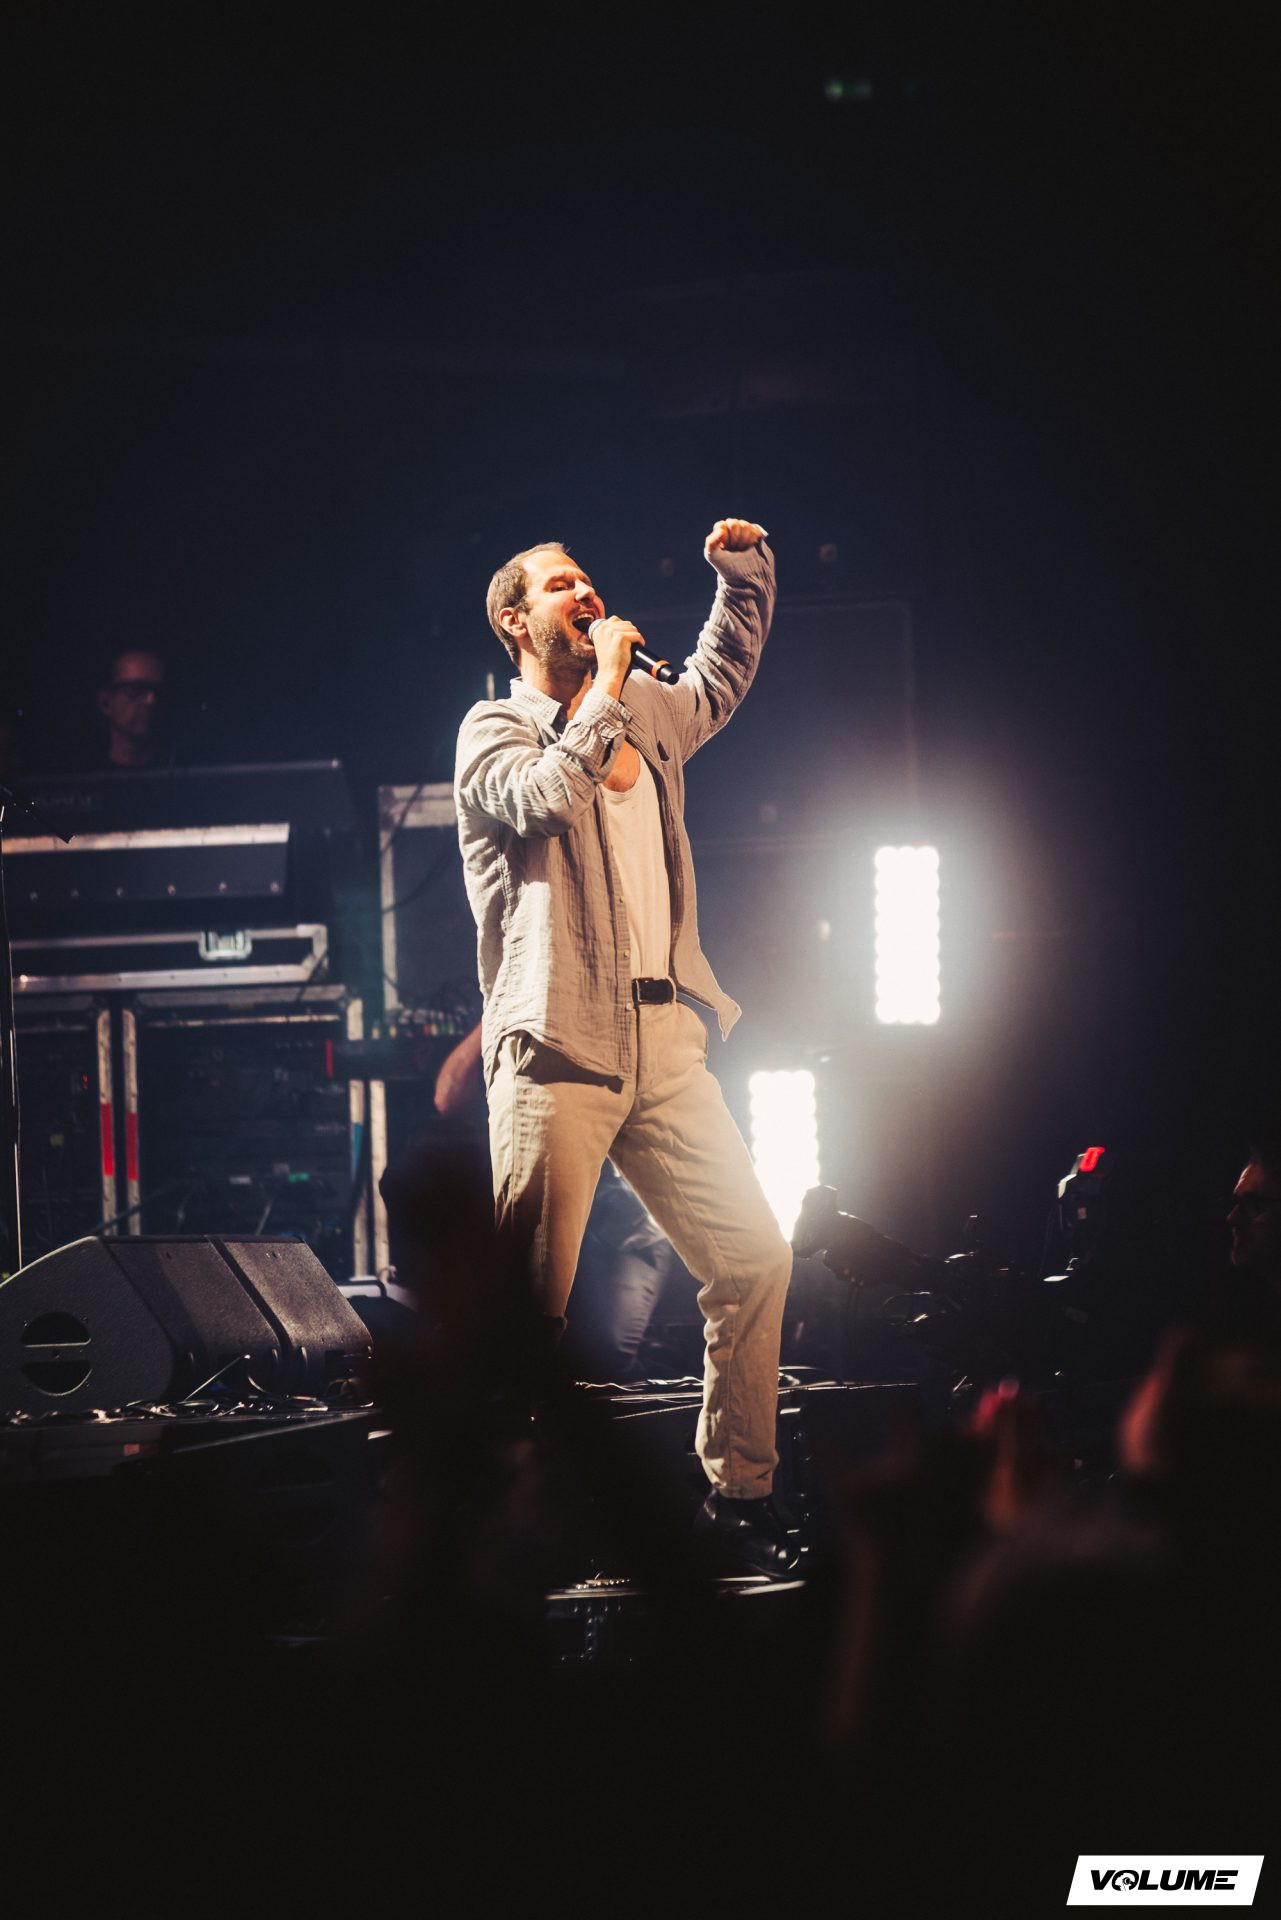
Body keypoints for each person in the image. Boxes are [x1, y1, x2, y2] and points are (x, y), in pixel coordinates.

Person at [454, 518, 797, 1576]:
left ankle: (738, 1496)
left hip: (667, 1038)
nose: (586, 593)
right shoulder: (491, 731)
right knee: (531, 1312)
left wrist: (740, 576)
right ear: (516, 620)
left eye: (587, 580)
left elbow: (720, 677)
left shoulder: (644, 708)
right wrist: (604, 682)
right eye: (561, 585)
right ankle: (492, 1530)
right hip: (558, 1042)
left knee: (753, 1258)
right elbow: (548, 800)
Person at [98, 649, 171, 769]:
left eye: (158, 691)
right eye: (135, 688)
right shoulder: (80, 774)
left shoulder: (185, 771)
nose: (151, 700)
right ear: (106, 702)